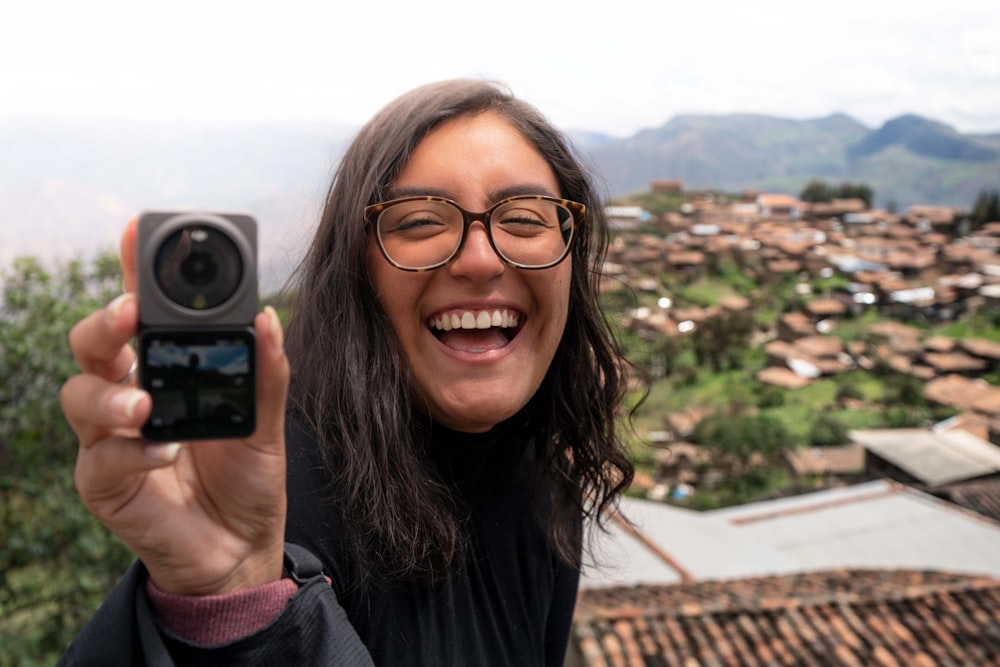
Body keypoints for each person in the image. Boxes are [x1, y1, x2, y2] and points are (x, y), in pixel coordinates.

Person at [58, 79, 635, 665]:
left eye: (525, 219)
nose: (481, 259)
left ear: (570, 255)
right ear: (356, 274)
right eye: (418, 222)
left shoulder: (545, 489)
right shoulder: (269, 497)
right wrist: (233, 597)